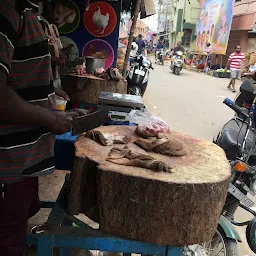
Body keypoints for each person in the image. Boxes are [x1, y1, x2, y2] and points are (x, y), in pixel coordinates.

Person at [0, 1, 87, 255]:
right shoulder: (7, 11)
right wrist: (49, 119)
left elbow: (22, 87)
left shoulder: (26, 12)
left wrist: (54, 114)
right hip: (7, 169)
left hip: (22, 167)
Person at [42, 0, 72, 99]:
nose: (59, 17)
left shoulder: (54, 28)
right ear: (50, 8)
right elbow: (34, 54)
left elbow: (58, 50)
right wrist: (55, 60)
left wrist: (67, 60)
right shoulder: (39, 24)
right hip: (43, 79)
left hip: (56, 77)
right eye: (58, 13)